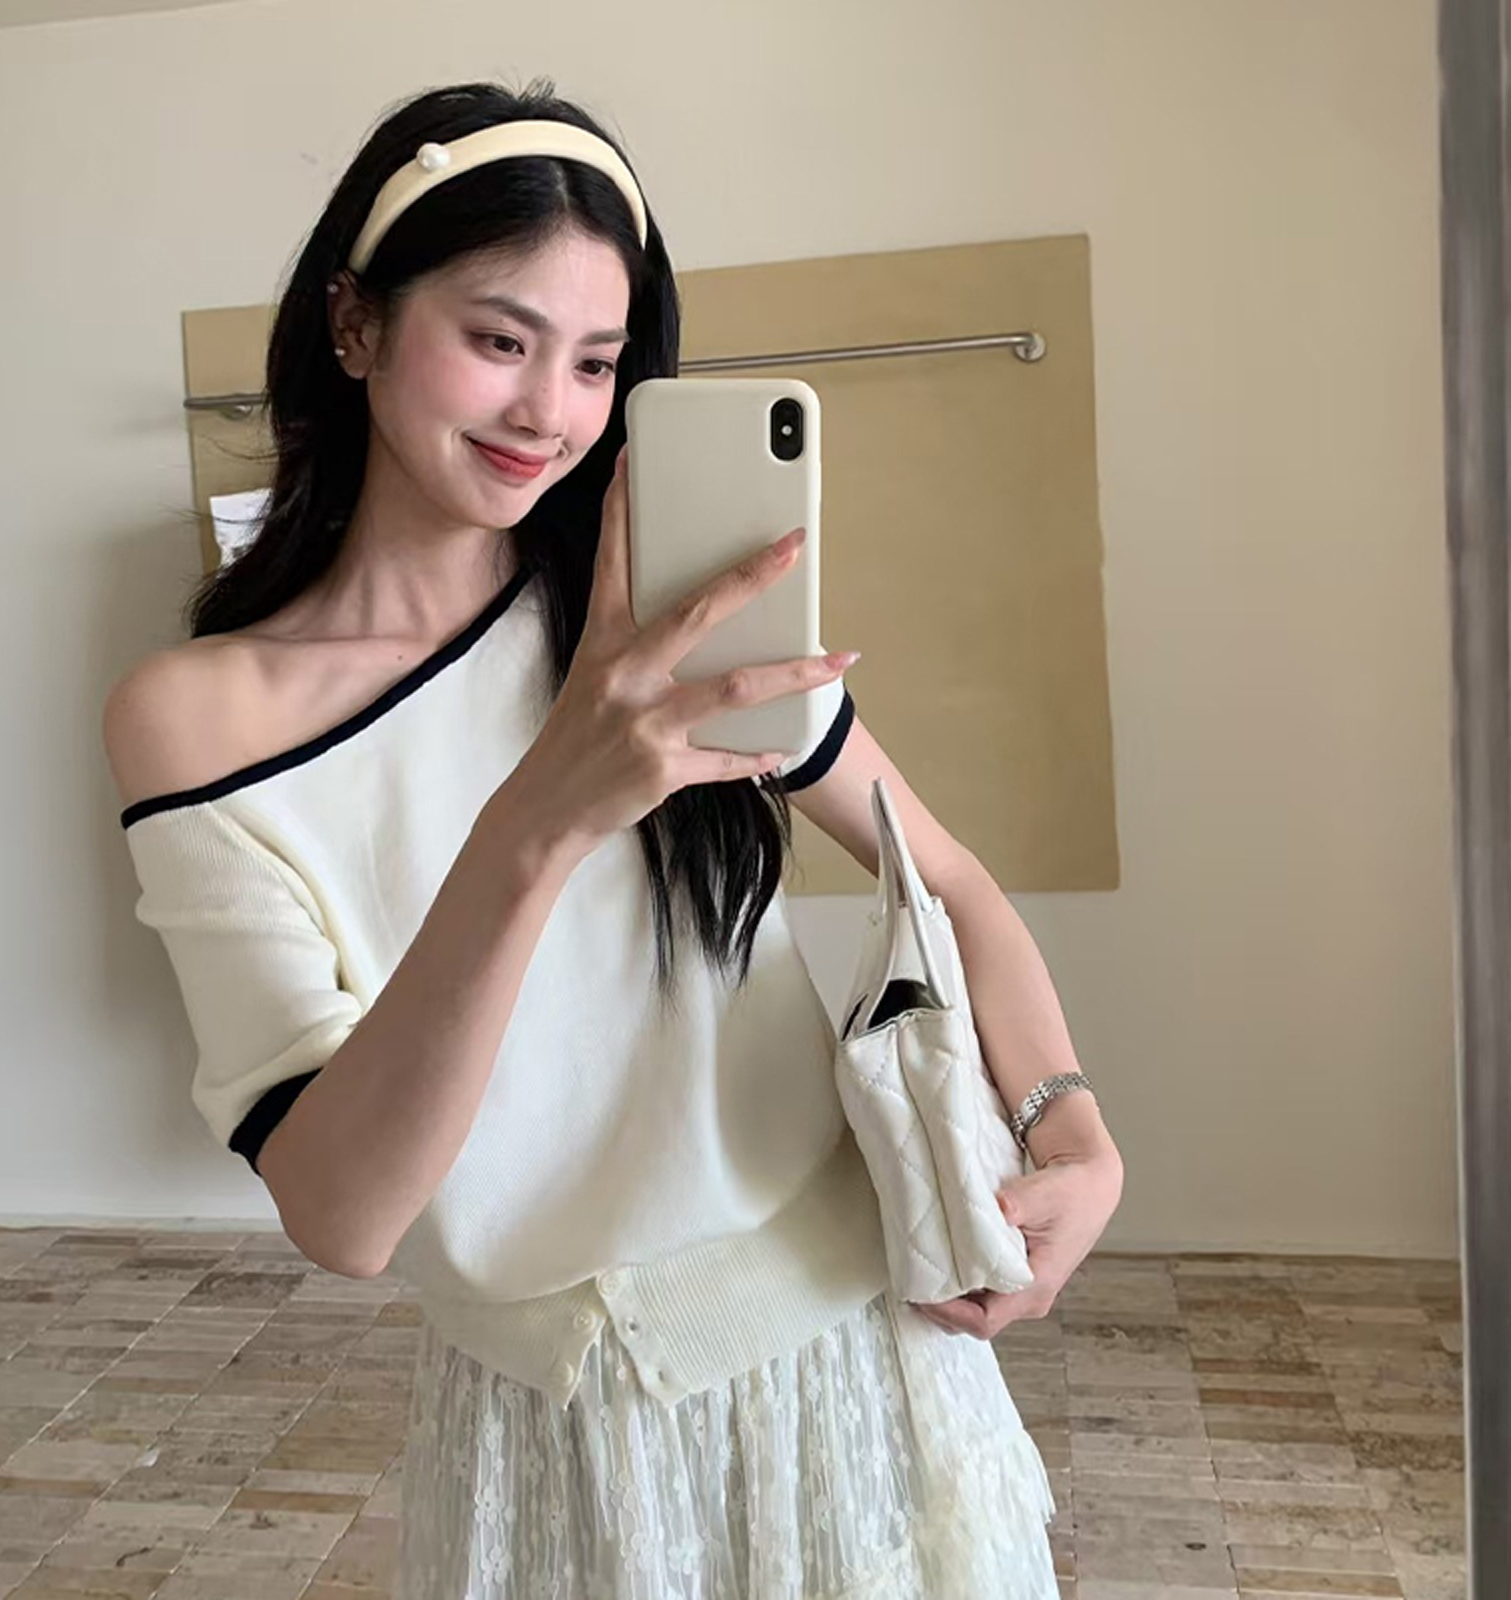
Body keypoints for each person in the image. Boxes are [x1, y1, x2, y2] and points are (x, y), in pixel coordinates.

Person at [102, 78, 1123, 1600]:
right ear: (354, 324)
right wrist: (541, 820)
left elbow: (947, 876)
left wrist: (1073, 1130)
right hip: (544, 1445)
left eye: (596, 363)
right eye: (499, 339)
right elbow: (344, 1213)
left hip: (858, 1370)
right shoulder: (198, 719)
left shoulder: (661, 624)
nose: (550, 413)